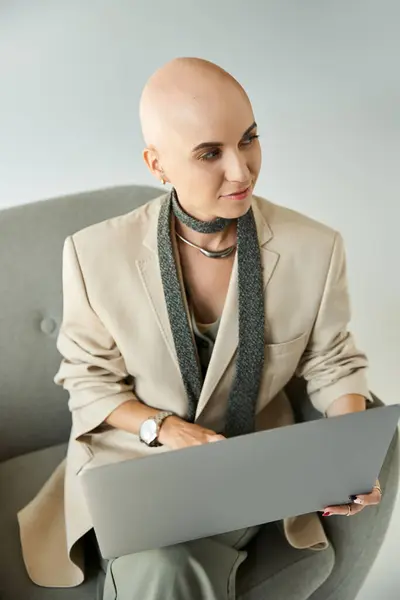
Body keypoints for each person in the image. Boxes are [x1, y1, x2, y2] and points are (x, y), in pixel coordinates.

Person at [17, 57, 382, 600]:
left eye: (249, 139)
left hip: (250, 472)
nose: (242, 171)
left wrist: (349, 456)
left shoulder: (316, 248)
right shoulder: (93, 255)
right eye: (210, 153)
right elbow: (88, 382)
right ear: (157, 163)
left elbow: (334, 361)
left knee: (170, 570)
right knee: (165, 566)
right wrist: (166, 429)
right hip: (135, 467)